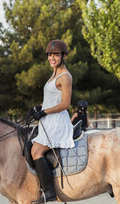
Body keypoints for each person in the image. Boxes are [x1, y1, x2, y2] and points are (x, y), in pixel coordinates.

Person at [28, 39, 75, 204]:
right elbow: (51, 100)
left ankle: (49, 193)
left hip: (58, 122)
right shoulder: (53, 74)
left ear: (63, 56)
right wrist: (38, 108)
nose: (52, 58)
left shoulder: (65, 76)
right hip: (48, 120)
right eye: (50, 55)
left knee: (36, 151)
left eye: (56, 55)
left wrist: (44, 111)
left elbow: (65, 104)